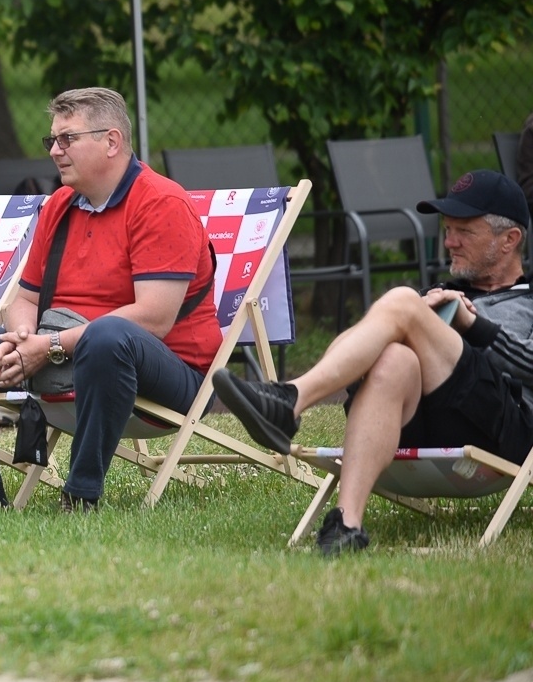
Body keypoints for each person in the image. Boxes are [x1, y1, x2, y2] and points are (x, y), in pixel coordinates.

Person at [0, 87, 220, 512]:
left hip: (167, 376)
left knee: (110, 334)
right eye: (52, 140)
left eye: (67, 139)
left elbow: (152, 319)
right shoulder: (59, 204)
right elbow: (26, 298)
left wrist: (49, 346)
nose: (55, 151)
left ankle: (80, 494)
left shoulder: (162, 204)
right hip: (64, 356)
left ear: (111, 141)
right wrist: (22, 340)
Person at [214, 169, 532, 556]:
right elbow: (351, 350)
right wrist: (416, 318)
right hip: (422, 419)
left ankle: (289, 401)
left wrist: (470, 325)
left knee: (401, 300)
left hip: (501, 429)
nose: (449, 241)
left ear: (509, 240)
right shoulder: (436, 295)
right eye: (447, 229)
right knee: (393, 358)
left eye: (464, 231)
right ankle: (347, 525)